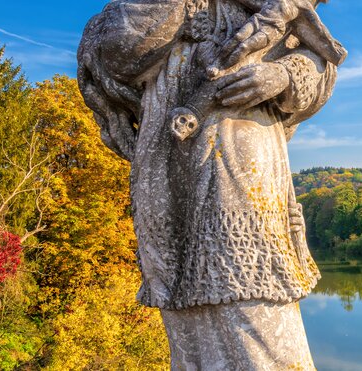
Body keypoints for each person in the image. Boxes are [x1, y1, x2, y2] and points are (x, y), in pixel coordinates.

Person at [78, 0, 346, 368]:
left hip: (245, 159)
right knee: (189, 335)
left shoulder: (273, 6)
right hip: (169, 169)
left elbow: (321, 64)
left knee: (261, 324)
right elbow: (120, 53)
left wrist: (281, 76)